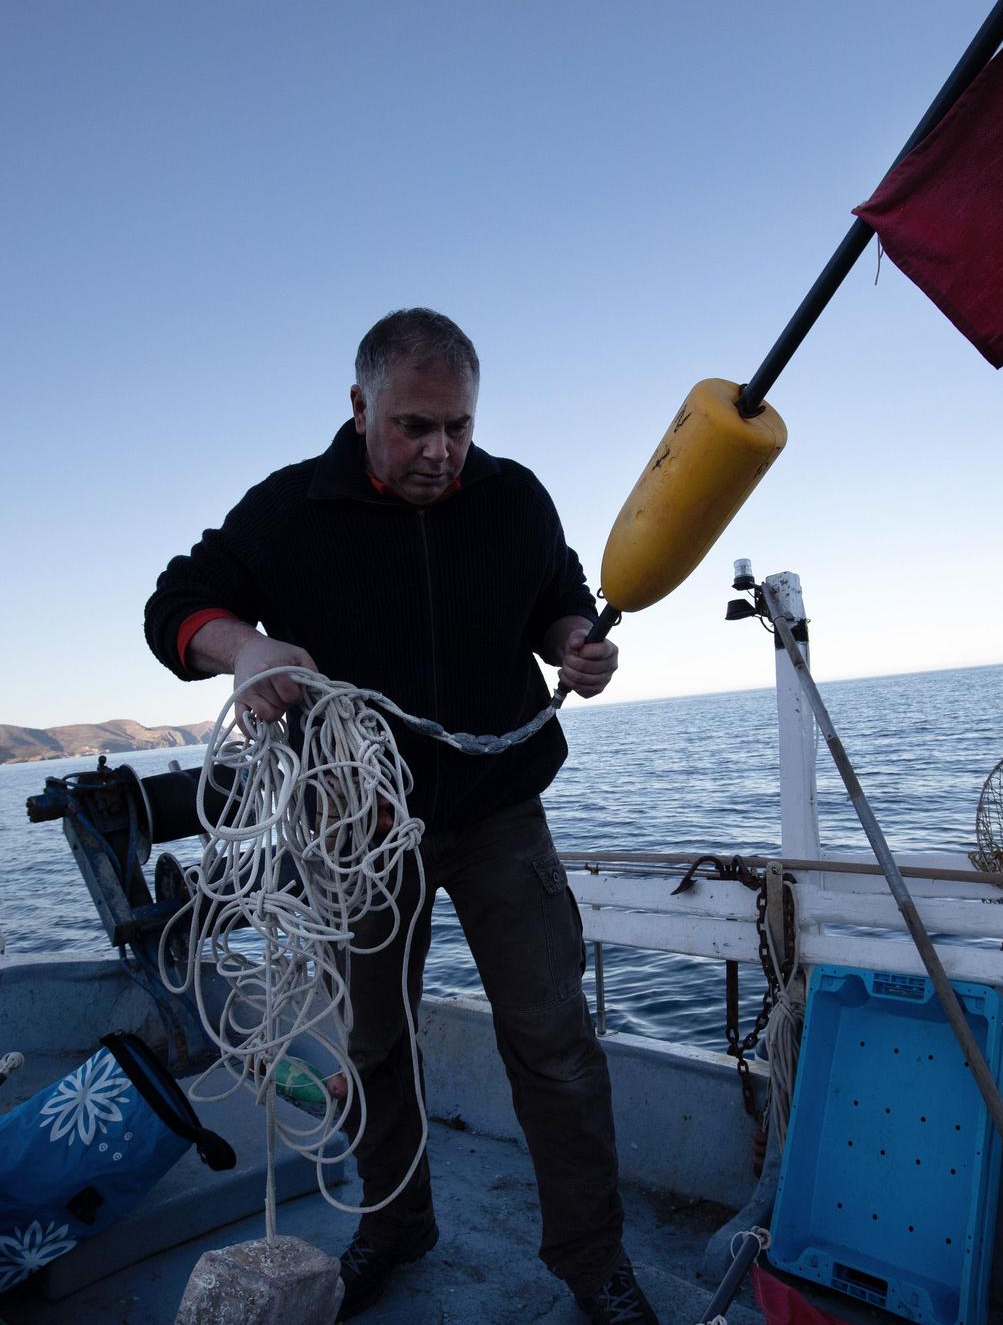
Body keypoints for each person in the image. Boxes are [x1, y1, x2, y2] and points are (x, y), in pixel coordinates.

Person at [143, 308, 655, 1323]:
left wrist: (576, 645)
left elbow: (559, 598)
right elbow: (176, 603)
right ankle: (392, 1221)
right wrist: (242, 649)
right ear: (358, 407)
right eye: (415, 425)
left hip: (498, 808)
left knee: (553, 1040)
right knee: (375, 1042)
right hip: (356, 826)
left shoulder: (512, 497)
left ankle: (594, 1264)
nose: (441, 451)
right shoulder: (288, 510)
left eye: (458, 425)